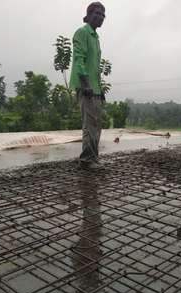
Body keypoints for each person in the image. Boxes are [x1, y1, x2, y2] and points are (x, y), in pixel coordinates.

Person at [70, 2, 106, 169]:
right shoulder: (82, 32)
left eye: (103, 15)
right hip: (86, 87)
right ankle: (86, 161)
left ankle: (93, 157)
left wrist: (100, 89)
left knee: (97, 125)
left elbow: (95, 68)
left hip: (95, 88)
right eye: (97, 13)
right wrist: (86, 85)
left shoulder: (96, 37)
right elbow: (79, 60)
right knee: (90, 125)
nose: (101, 17)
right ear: (89, 15)